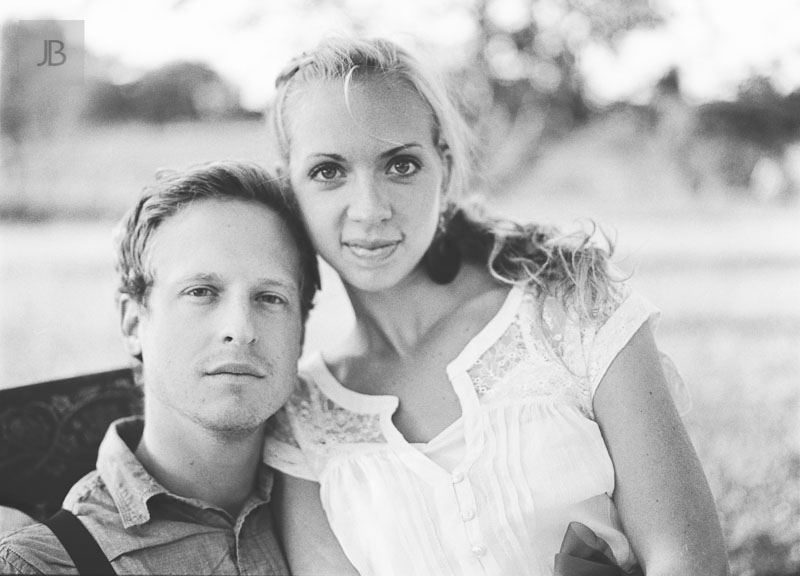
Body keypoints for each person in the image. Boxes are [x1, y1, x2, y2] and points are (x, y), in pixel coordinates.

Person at [261, 37, 731, 575]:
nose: (369, 209)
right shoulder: (300, 415)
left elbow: (687, 559)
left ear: (444, 165)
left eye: (401, 166)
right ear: (288, 188)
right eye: (328, 171)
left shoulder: (569, 306)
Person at [0, 161, 319, 574]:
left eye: (270, 297)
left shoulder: (348, 498)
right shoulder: (47, 563)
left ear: (301, 333)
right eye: (201, 291)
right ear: (133, 323)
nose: (240, 329)